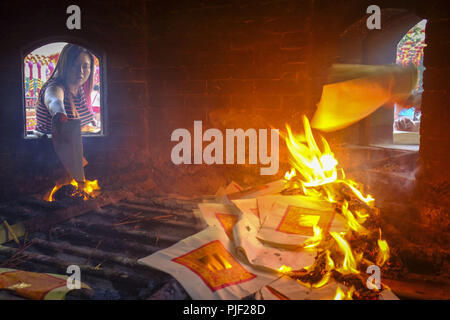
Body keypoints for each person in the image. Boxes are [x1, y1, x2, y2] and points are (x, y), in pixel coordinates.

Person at [35, 44, 96, 134]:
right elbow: (53, 100)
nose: (80, 71)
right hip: (50, 146)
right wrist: (60, 113)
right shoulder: (55, 86)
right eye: (74, 65)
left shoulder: (78, 88)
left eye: (85, 66)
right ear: (65, 66)